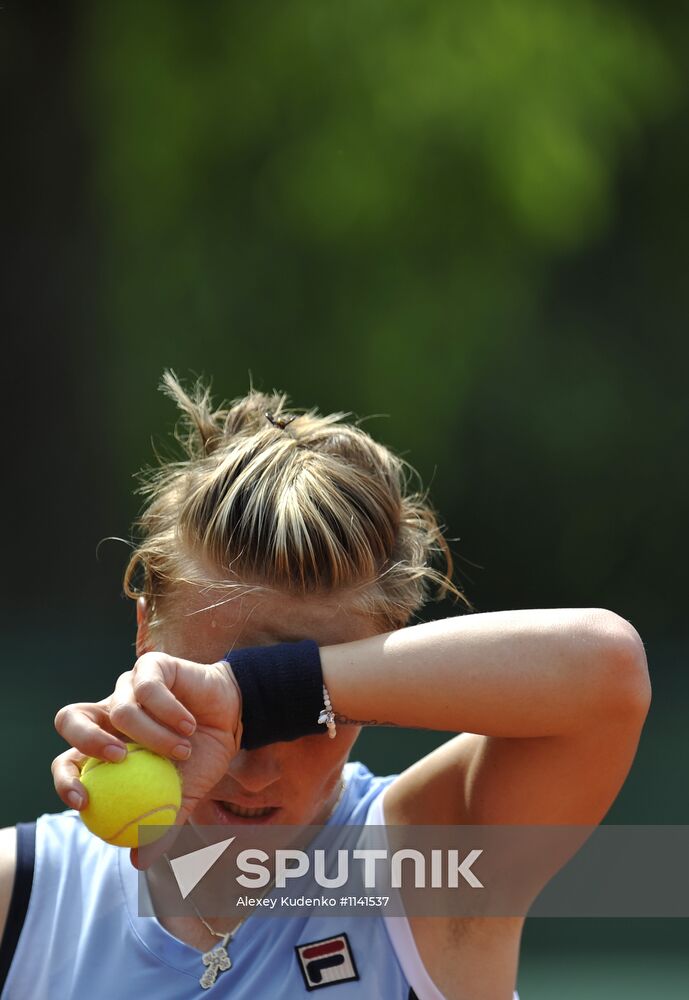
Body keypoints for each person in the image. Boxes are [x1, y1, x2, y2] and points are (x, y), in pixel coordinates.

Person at [0, 373, 650, 999]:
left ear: (380, 676)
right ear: (145, 637)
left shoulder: (432, 868)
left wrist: (250, 694)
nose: (252, 764)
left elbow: (607, 670)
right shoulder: (21, 895)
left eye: (308, 714)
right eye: (202, 695)